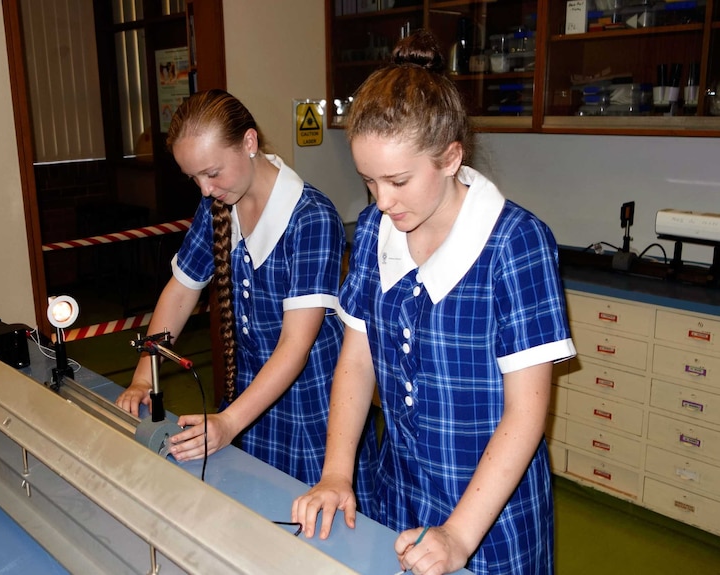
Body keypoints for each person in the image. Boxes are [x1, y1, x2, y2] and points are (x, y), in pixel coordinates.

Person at [291, 30, 576, 575]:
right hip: (394, 495)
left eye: (398, 180)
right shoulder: (378, 227)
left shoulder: (514, 243)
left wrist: (459, 537)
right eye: (369, 181)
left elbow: (526, 411)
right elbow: (357, 359)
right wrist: (336, 472)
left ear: (449, 158)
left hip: (486, 518)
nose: (382, 201)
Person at [116, 89, 349, 486]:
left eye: (212, 173)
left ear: (249, 143)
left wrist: (228, 423)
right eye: (195, 178)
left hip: (311, 413)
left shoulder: (312, 218)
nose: (205, 190)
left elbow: (295, 346)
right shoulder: (218, 204)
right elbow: (181, 291)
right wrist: (143, 375)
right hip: (246, 402)